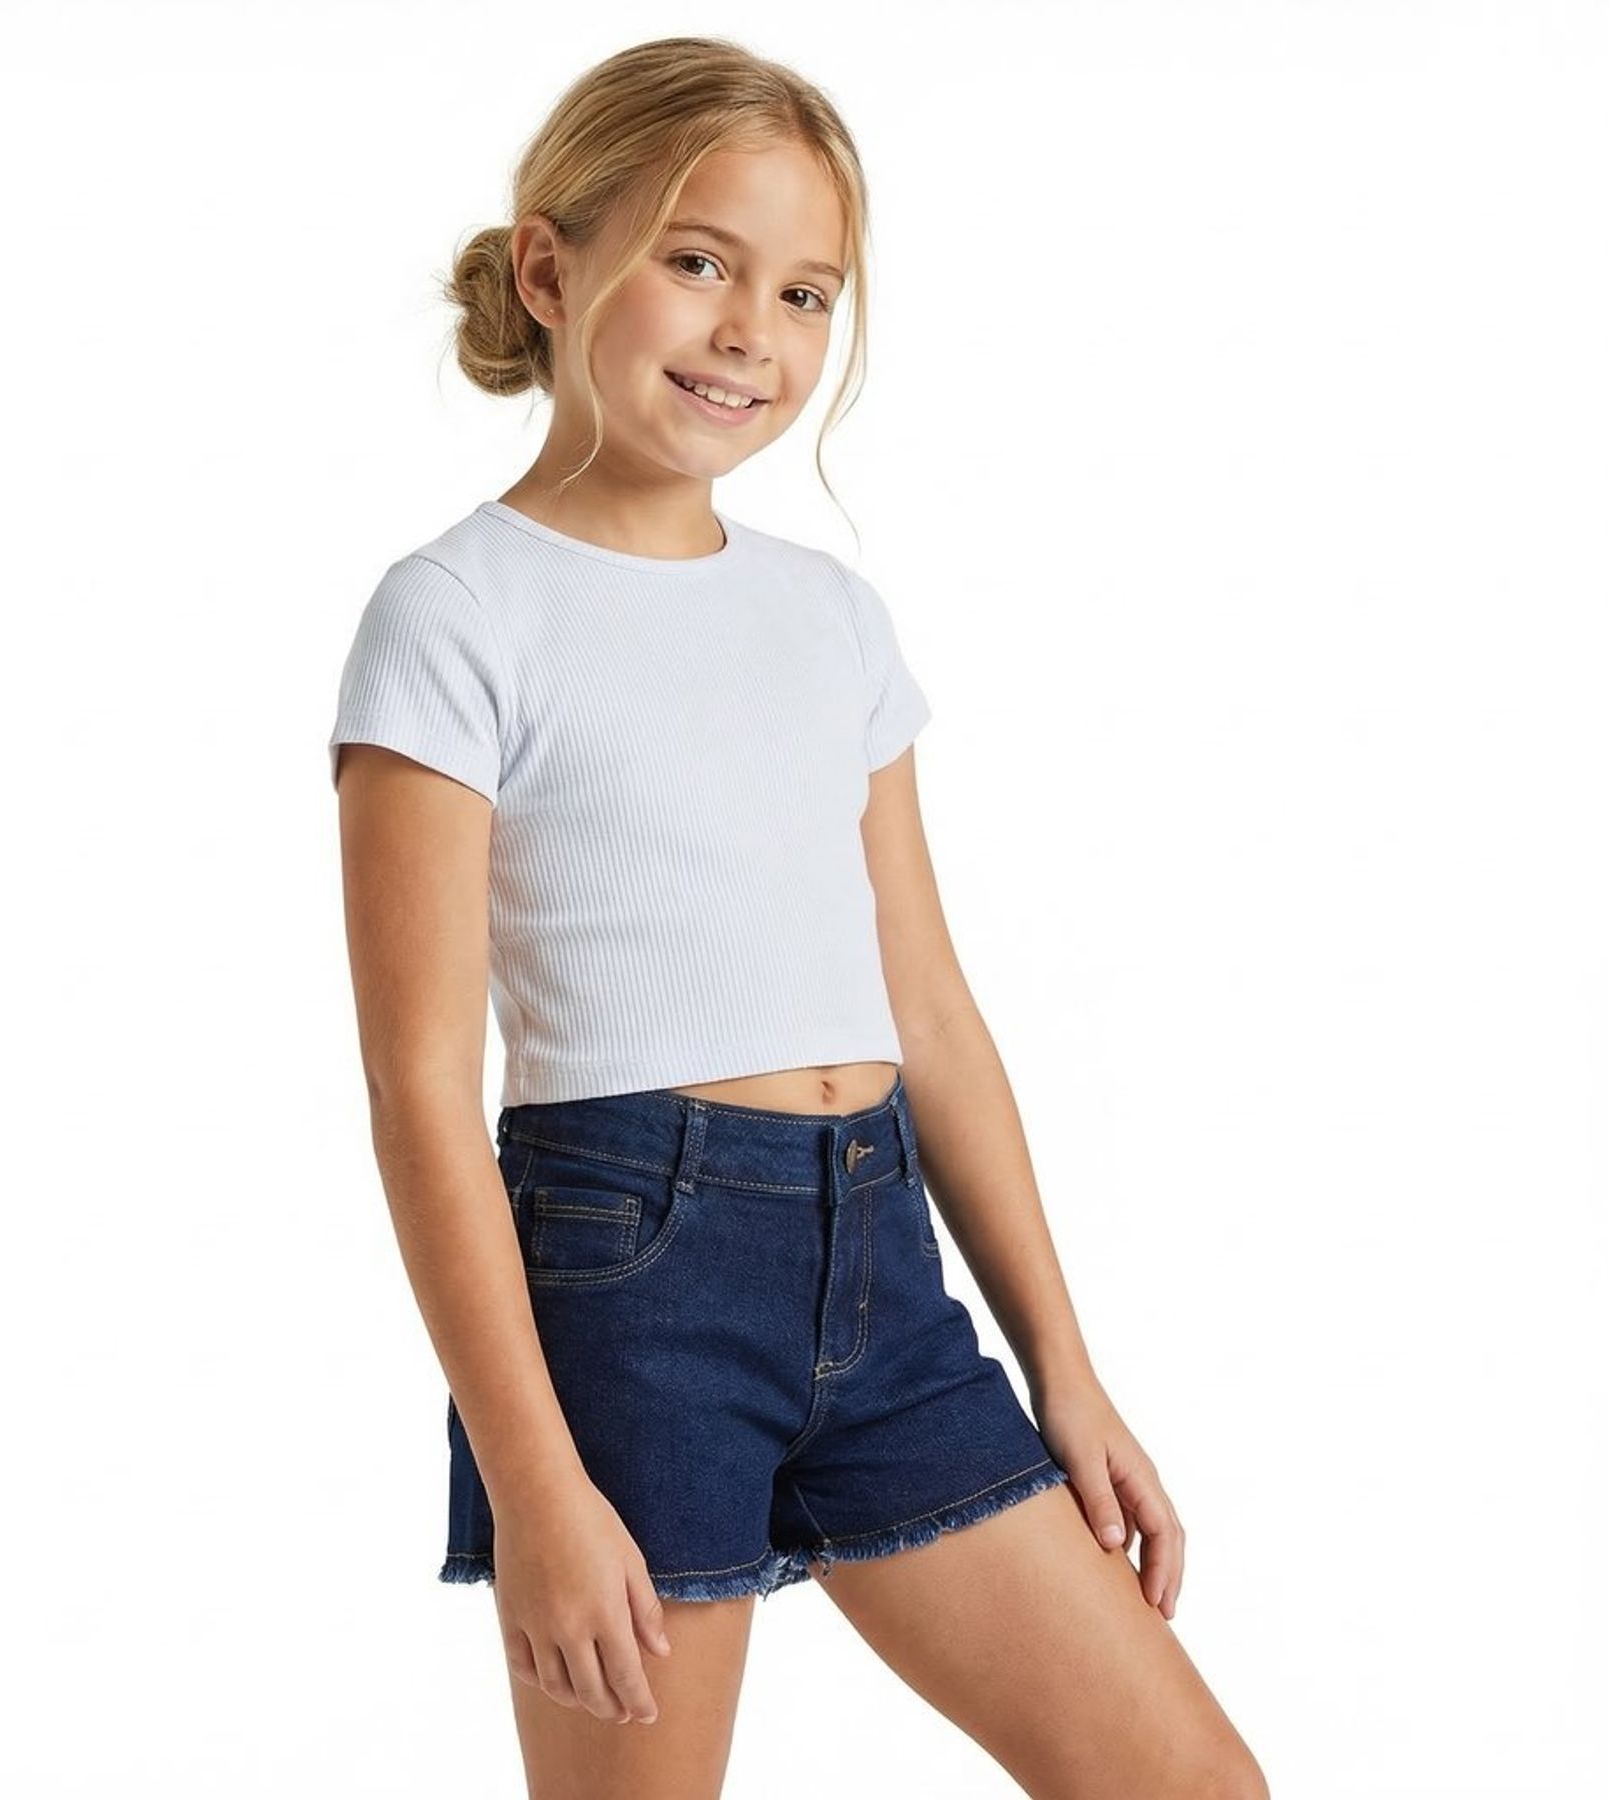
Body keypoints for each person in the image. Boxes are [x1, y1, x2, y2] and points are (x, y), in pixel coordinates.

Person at [327, 35, 1268, 1800]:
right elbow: (418, 1095)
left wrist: (1065, 1370)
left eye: (806, 292)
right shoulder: (458, 616)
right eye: (699, 261)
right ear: (551, 271)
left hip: (887, 1269)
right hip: (632, 1285)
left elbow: (933, 1009)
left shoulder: (831, 617)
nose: (752, 330)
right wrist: (536, 1487)